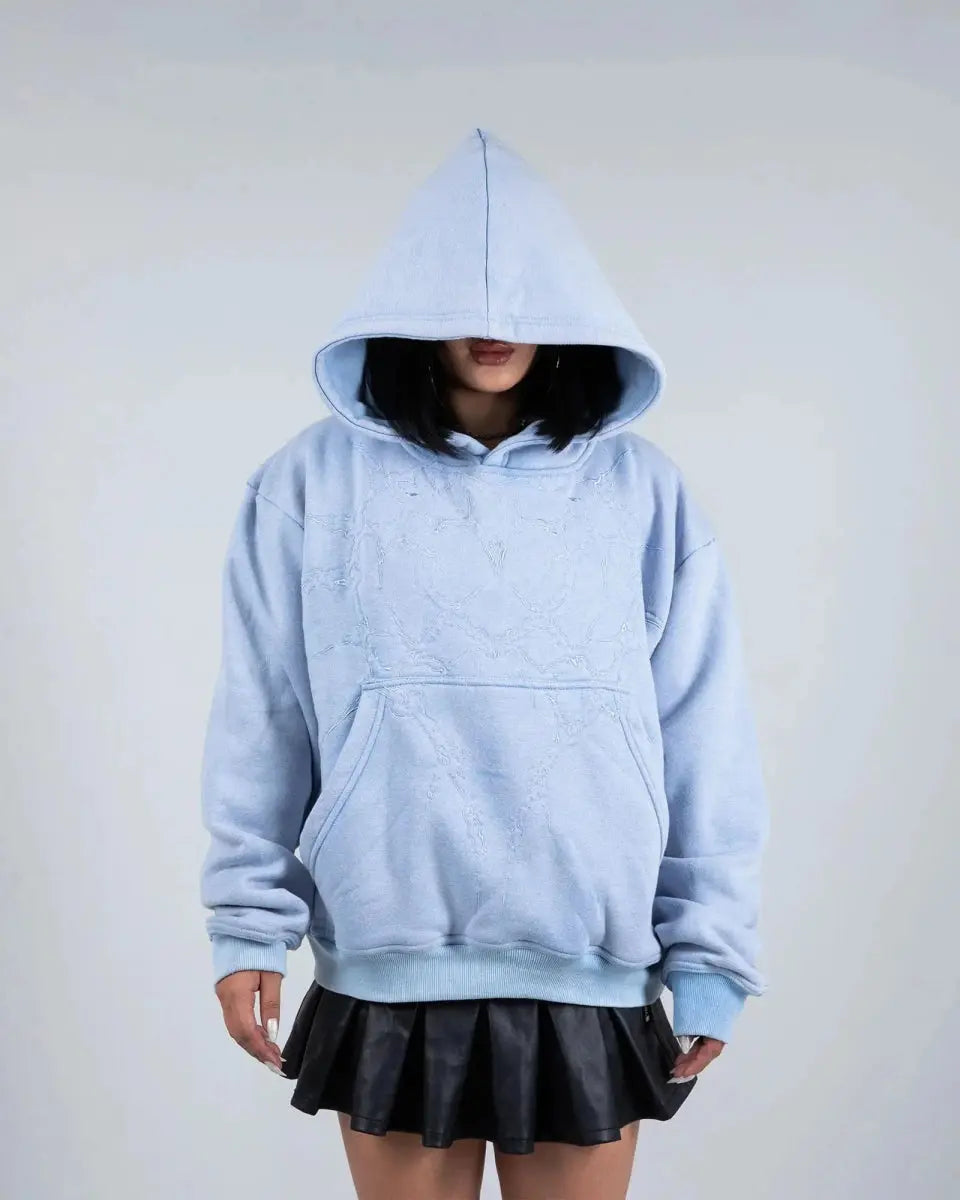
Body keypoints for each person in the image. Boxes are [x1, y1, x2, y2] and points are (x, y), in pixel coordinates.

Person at [199, 127, 769, 1200]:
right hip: (388, 960)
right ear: (407, 300)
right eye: (460, 293)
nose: (493, 323)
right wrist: (247, 927)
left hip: (590, 963)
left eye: (523, 297)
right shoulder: (309, 484)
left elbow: (702, 732)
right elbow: (263, 717)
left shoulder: (644, 494)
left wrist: (711, 953)